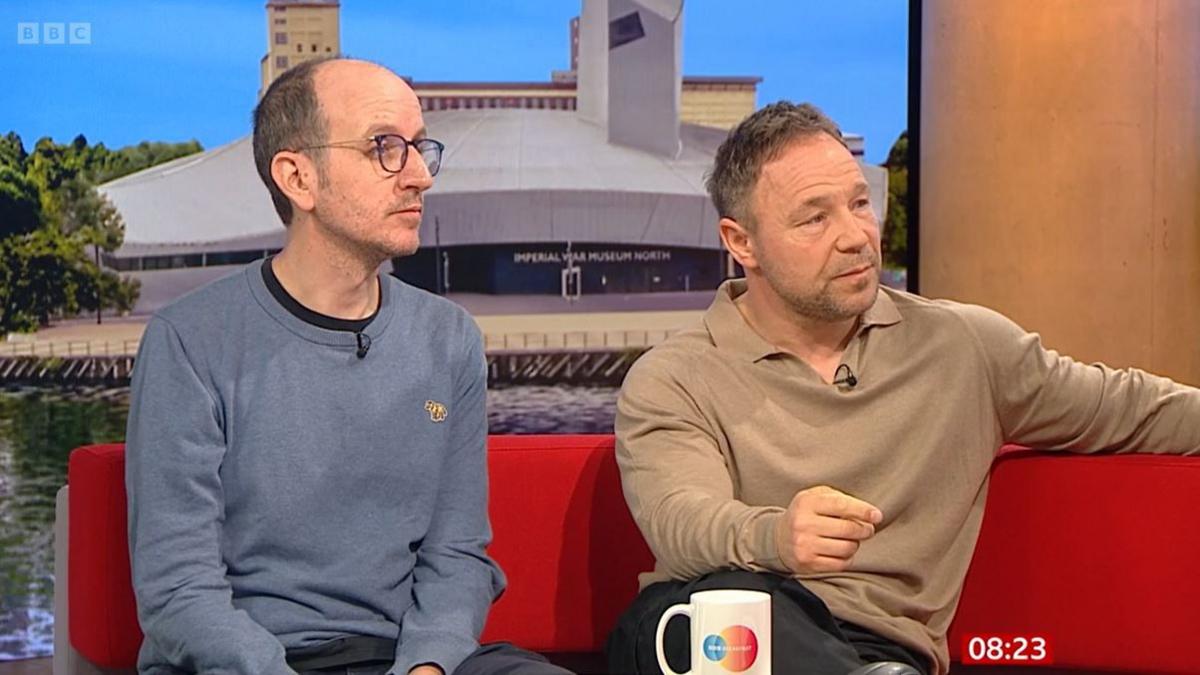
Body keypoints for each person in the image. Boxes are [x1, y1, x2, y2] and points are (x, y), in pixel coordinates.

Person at [605, 101, 1200, 675]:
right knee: (708, 620)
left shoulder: (964, 347)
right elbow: (681, 521)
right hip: (718, 625)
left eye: (860, 203)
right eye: (815, 217)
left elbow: (1136, 409)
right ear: (742, 243)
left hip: (877, 647)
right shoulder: (676, 377)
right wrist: (777, 537)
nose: (856, 235)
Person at [125, 57, 573, 675]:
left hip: (405, 660)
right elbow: (178, 589)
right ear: (298, 178)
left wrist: (428, 666)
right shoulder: (189, 341)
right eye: (385, 148)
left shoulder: (449, 339)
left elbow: (457, 554)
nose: (419, 176)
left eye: (419, 148)